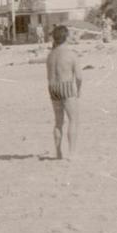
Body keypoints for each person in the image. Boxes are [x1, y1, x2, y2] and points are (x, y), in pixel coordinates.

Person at [45, 25, 82, 160]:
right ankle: (72, 153)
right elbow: (78, 76)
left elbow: (49, 75)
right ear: (66, 37)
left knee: (58, 122)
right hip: (66, 86)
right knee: (73, 120)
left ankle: (58, 152)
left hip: (52, 87)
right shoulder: (71, 54)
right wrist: (78, 90)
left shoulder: (50, 55)